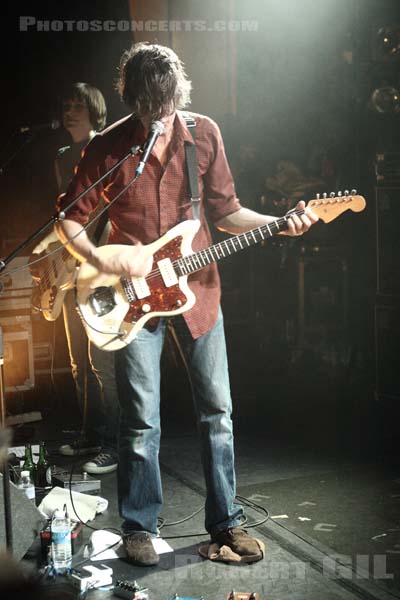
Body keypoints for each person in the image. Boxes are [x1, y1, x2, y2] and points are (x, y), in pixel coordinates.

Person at [55, 43, 319, 567]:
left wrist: (277, 224)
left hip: (198, 291)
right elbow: (66, 219)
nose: (161, 118)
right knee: (140, 419)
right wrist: (103, 256)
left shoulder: (204, 135)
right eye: (150, 110)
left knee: (217, 412)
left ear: (180, 95)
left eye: (168, 106)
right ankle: (138, 526)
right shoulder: (108, 148)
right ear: (132, 101)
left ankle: (226, 522)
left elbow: (227, 212)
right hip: (133, 304)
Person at [31, 83, 119, 474]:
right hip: (68, 268)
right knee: (77, 362)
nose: (69, 111)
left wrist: (94, 258)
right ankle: (92, 433)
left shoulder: (107, 148)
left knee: (102, 361)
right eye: (65, 105)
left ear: (95, 110)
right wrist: (48, 253)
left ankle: (115, 443)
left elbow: (107, 211)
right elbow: (66, 215)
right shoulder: (63, 156)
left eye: (77, 105)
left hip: (99, 267)